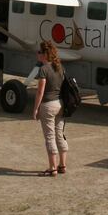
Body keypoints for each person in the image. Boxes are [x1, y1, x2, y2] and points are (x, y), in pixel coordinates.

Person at [32, 40, 68, 177]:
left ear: (45, 54)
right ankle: (62, 165)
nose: (38, 54)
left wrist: (35, 109)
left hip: (48, 105)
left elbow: (40, 91)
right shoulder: (60, 67)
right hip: (60, 104)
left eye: (39, 52)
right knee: (60, 135)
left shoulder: (43, 69)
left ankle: (52, 167)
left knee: (50, 137)